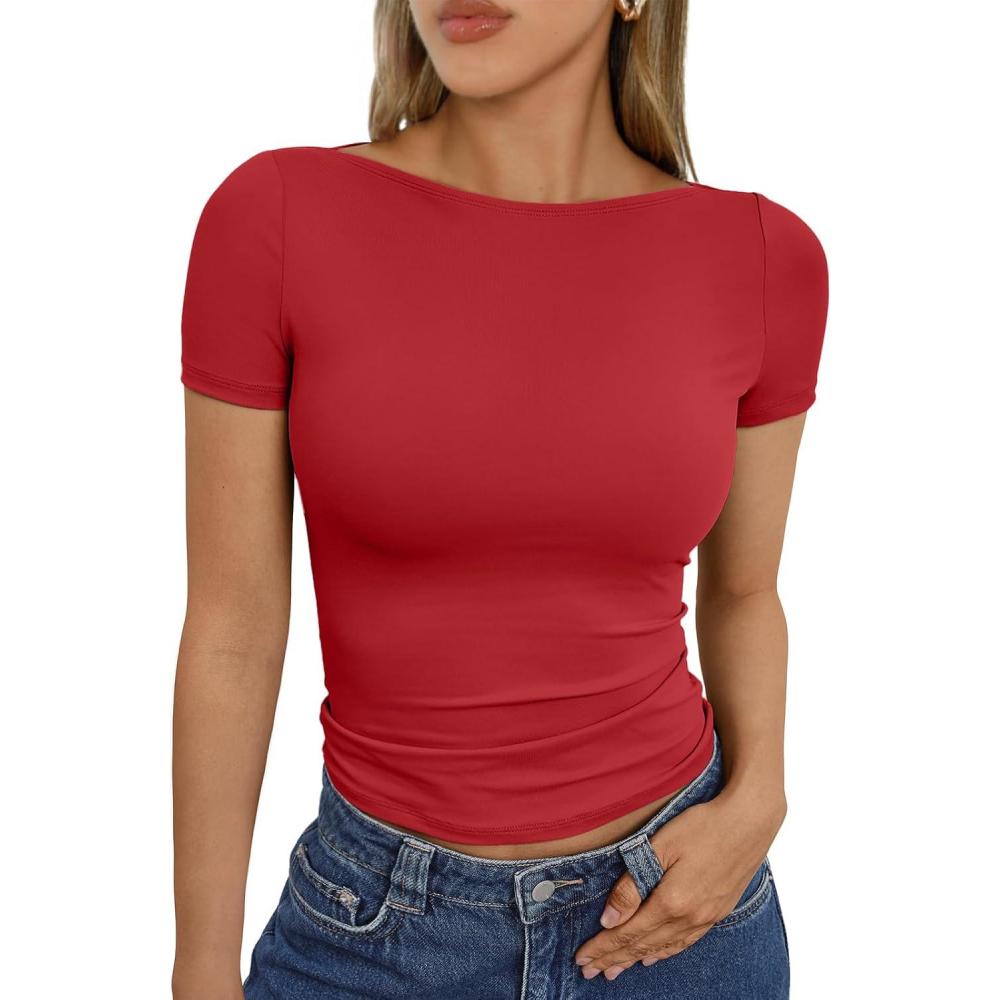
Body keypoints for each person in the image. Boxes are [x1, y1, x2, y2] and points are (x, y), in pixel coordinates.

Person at [172, 1, 829, 997]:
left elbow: (742, 591)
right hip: (367, 936)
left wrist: (759, 797)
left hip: (675, 919)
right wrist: (200, 968)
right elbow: (233, 627)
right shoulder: (276, 216)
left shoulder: (764, 256)